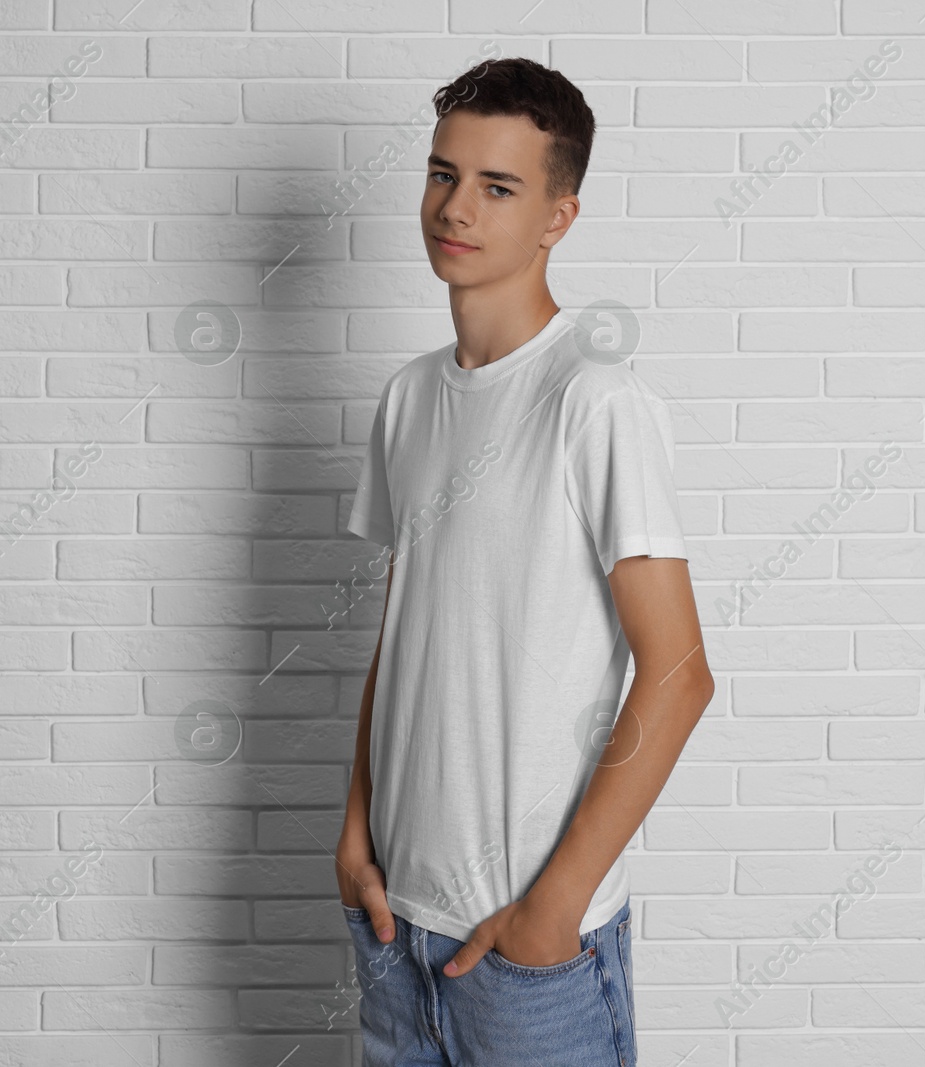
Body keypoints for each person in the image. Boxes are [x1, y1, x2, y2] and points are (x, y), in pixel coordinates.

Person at [334, 56, 715, 1066]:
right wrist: (354, 833)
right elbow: (405, 629)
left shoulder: (595, 399)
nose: (455, 207)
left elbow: (678, 673)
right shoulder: (409, 399)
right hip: (391, 931)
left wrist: (554, 906)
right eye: (441, 173)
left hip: (524, 949)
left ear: (559, 215)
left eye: (497, 186)